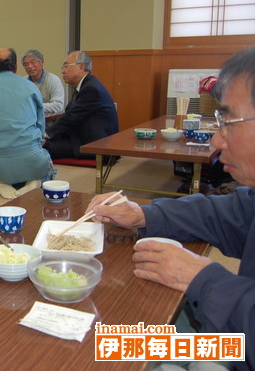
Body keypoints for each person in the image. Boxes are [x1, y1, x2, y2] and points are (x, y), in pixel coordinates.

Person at [87, 47, 255, 371]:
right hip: (232, 339)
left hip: (234, 348)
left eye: (229, 122)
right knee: (102, 342)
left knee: (115, 352)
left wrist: (202, 278)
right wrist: (144, 214)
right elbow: (226, 215)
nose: (217, 141)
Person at [0, 47, 53, 200]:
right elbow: (41, 127)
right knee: (46, 159)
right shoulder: (30, 86)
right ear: (15, 67)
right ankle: (35, 180)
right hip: (32, 161)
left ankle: (2, 181)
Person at [44, 50, 118, 160]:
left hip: (94, 144)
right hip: (80, 136)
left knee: (44, 147)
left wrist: (47, 135)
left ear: (82, 67)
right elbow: (70, 114)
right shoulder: (84, 85)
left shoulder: (91, 89)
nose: (63, 71)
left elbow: (71, 117)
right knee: (46, 142)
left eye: (66, 66)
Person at [22, 49, 65, 116]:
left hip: (50, 123)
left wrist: (34, 106)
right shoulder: (23, 82)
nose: (30, 66)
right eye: (26, 64)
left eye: (33, 62)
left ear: (41, 62)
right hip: (28, 122)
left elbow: (58, 106)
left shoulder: (53, 80)